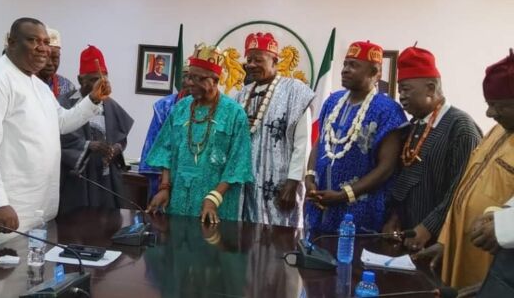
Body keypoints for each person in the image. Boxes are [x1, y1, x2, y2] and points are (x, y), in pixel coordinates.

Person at [0, 17, 110, 246]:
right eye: (33, 41)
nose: (42, 48)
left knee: (33, 276)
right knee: (5, 277)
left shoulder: (38, 85)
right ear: (11, 42)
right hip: (10, 207)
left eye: (45, 42)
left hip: (38, 206)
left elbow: (61, 122)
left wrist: (92, 99)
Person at [415, 49, 514, 289]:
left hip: (496, 260)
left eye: (497, 105)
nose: (489, 113)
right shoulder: (498, 131)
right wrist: (445, 242)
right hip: (462, 249)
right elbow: (464, 190)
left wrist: (503, 227)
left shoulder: (463, 127)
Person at [384, 45, 482, 251]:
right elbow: (405, 178)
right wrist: (394, 216)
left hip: (439, 244)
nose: (400, 96)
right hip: (407, 239)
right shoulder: (414, 126)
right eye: (399, 89)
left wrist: (428, 228)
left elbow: (460, 190)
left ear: (430, 87)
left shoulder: (460, 127)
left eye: (406, 89)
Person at [304, 40, 407, 234]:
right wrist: (309, 179)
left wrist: (343, 195)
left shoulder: (388, 111)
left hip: (358, 212)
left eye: (354, 65)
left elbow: (387, 168)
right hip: (318, 206)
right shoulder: (332, 101)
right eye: (345, 64)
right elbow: (320, 142)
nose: (345, 70)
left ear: (374, 72)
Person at [145, 43, 252, 223]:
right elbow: (165, 150)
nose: (188, 83)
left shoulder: (234, 113)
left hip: (215, 207)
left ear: (215, 80)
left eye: (197, 78)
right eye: (188, 77)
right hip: (178, 201)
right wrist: (164, 187)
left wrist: (214, 198)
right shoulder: (180, 108)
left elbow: (238, 164)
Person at [235, 32, 314, 228]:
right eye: (249, 59)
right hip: (247, 184)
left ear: (275, 61)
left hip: (280, 184)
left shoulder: (296, 91)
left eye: (258, 60)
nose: (251, 64)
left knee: (280, 239)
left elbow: (303, 143)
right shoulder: (242, 94)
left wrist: (293, 182)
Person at [57, 45, 133, 215]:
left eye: (103, 79)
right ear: (80, 79)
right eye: (93, 79)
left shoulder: (110, 104)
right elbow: (59, 139)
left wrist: (115, 149)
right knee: (76, 227)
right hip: (77, 181)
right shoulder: (64, 104)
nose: (99, 84)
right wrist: (88, 146)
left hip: (105, 179)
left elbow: (121, 138)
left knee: (107, 228)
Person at [139, 61, 191, 200]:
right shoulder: (164, 106)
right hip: (163, 175)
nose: (188, 81)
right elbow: (153, 141)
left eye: (192, 76)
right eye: (185, 76)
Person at [36, 28, 76, 97]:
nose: (50, 63)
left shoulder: (68, 87)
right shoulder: (24, 83)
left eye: (55, 58)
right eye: (45, 57)